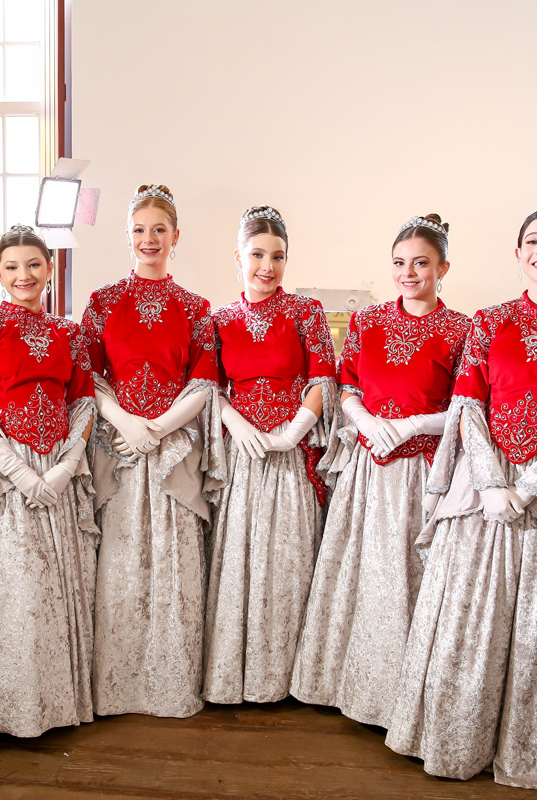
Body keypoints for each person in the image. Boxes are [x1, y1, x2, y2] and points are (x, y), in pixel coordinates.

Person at [385, 203, 537, 790]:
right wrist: (494, 482)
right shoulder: (490, 322)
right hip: (485, 487)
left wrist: (527, 487)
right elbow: (469, 407)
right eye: (533, 241)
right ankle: (458, 741)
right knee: (470, 619)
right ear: (518, 254)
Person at [291, 214, 470, 727]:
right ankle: (345, 684)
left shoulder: (463, 329)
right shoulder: (367, 322)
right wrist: (368, 421)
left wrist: (412, 424)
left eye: (420, 263)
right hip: (368, 465)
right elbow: (347, 386)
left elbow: (467, 405)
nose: (408, 273)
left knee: (405, 575)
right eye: (399, 263)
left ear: (443, 268)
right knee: (360, 571)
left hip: (421, 470)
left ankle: (402, 699)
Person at [81, 184, 225, 718]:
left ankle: (170, 683)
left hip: (173, 449)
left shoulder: (195, 308)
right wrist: (125, 422)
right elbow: (88, 374)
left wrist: (159, 428)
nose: (149, 239)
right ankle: (116, 687)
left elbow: (204, 382)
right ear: (128, 235)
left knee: (173, 566)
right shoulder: (102, 302)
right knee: (120, 565)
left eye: (158, 230)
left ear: (175, 236)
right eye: (140, 229)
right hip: (119, 447)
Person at [0, 224, 98, 737]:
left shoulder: (70, 332)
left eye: (34, 264)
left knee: (55, 585)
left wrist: (65, 466)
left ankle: (56, 702)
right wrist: (16, 470)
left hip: (57, 464)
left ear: (49, 269)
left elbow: (83, 402)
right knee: (11, 586)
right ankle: (5, 708)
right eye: (12, 267)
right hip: (2, 469)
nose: (24, 275)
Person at [204, 206, 337, 705]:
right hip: (242, 454)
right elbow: (209, 386)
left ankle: (283, 677)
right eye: (257, 255)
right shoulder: (219, 320)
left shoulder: (306, 312)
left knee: (285, 561)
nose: (267, 266)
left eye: (277, 257)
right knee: (239, 560)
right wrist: (237, 424)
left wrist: (292, 433)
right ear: (238, 257)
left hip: (289, 454)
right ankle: (232, 675)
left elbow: (324, 378)